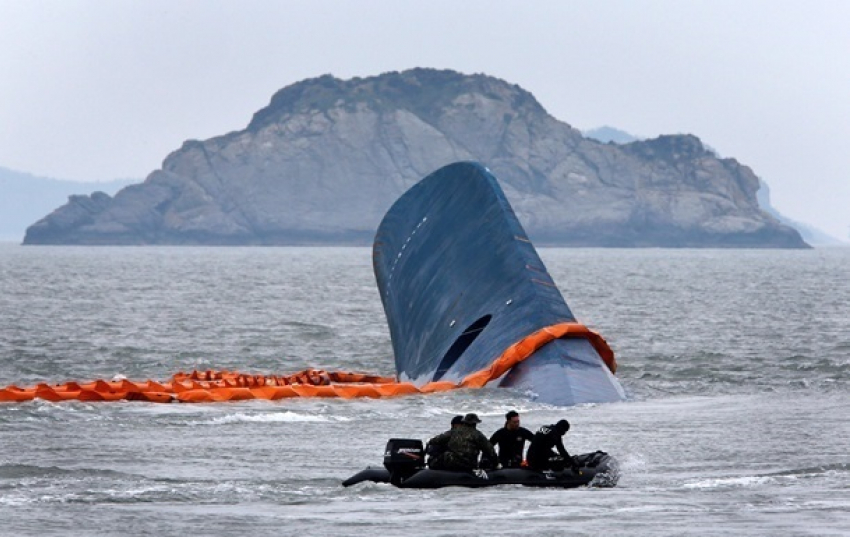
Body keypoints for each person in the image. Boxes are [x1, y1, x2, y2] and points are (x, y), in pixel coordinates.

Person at [426, 413, 498, 472]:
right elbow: (490, 450)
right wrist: (496, 464)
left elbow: (435, 440)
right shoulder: (478, 435)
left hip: (452, 461)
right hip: (470, 464)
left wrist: (429, 444)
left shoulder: (453, 432)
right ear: (475, 423)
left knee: (436, 459)